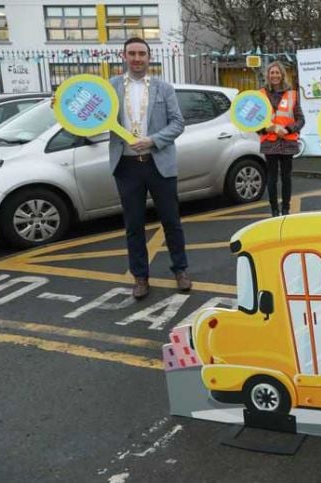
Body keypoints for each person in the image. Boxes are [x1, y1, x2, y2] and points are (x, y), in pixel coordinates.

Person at [109, 37, 187, 299]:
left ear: (149, 57)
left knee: (171, 221)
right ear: (124, 56)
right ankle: (140, 277)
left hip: (159, 163)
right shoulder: (111, 88)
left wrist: (153, 141)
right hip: (127, 166)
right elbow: (89, 117)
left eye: (142, 53)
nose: (137, 58)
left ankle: (180, 270)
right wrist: (61, 105)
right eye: (132, 53)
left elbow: (177, 123)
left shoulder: (164, 88)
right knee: (134, 225)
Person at [258, 61, 304, 217]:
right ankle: (274, 211)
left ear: (282, 75)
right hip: (269, 141)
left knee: (286, 177)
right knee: (271, 178)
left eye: (277, 73)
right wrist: (266, 128)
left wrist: (288, 129)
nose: (275, 75)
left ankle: (285, 209)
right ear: (268, 76)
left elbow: (300, 119)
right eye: (272, 73)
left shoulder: (292, 94)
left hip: (287, 140)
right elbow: (253, 121)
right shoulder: (261, 94)